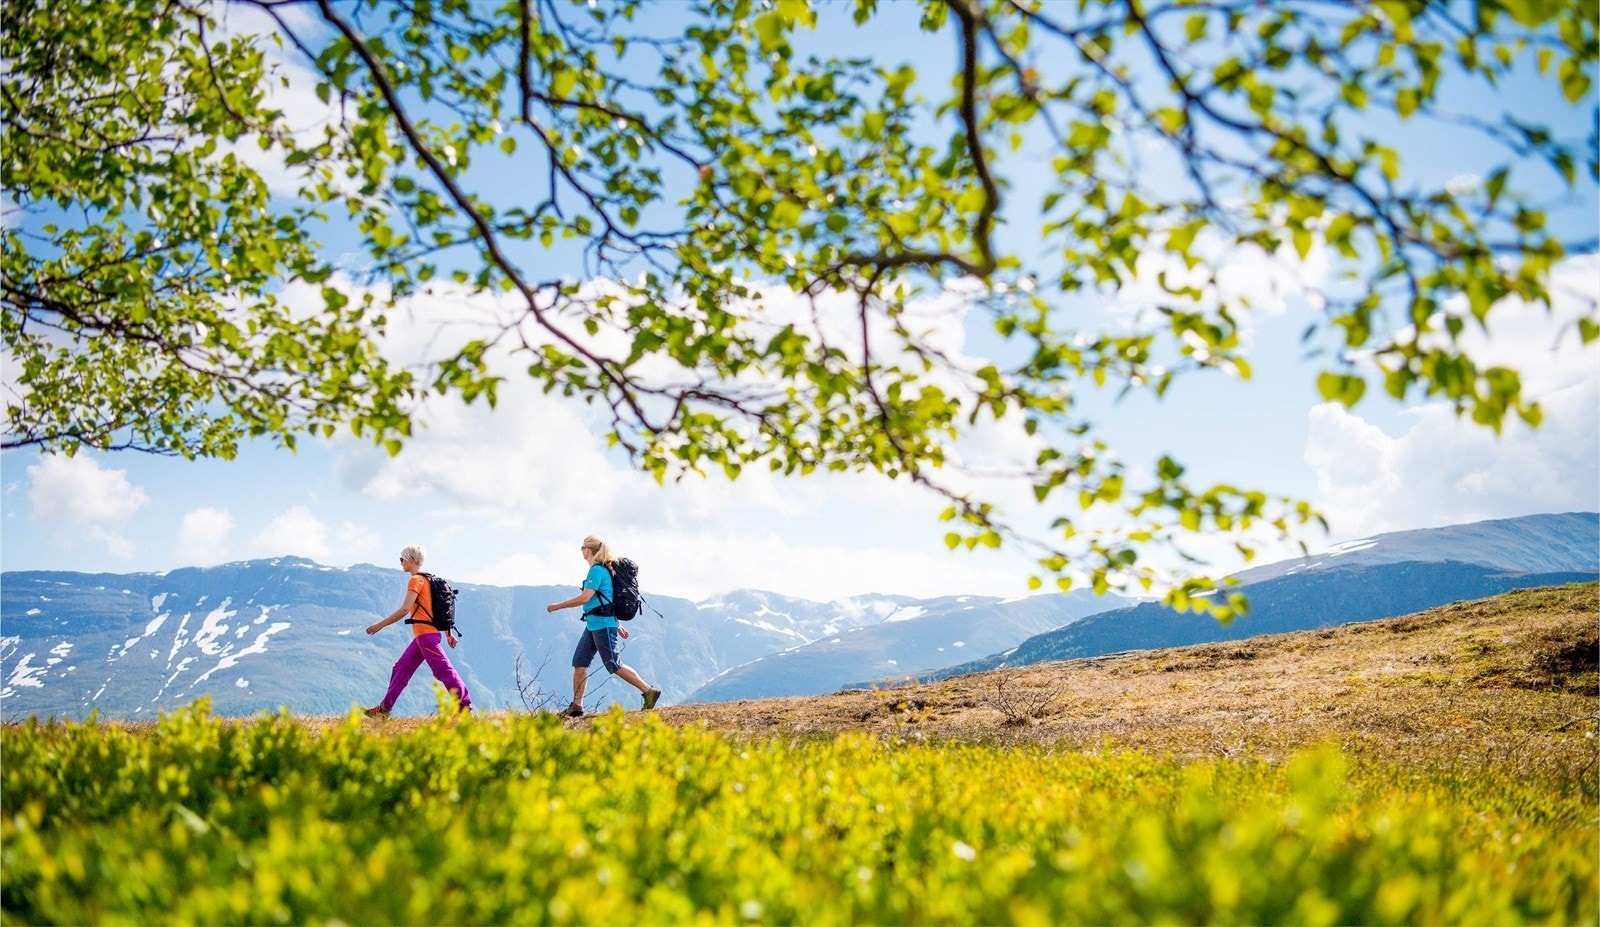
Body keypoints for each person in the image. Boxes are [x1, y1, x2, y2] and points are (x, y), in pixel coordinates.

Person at [546, 535, 662, 717]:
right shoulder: (601, 570)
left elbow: (585, 597)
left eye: (582, 548)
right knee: (579, 662)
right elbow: (605, 599)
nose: (581, 551)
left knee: (614, 664)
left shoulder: (597, 571)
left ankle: (648, 691)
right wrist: (618, 624)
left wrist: (558, 606)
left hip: (601, 625)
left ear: (588, 550)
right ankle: (576, 707)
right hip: (594, 624)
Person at [363, 544, 472, 717]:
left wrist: (380, 625)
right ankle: (384, 710)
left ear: (411, 560)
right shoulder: (429, 580)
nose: (401, 563)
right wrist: (448, 633)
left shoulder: (415, 580)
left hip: (426, 637)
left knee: (444, 670)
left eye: (402, 559)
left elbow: (405, 609)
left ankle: (464, 708)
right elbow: (438, 609)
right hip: (425, 636)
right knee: (401, 668)